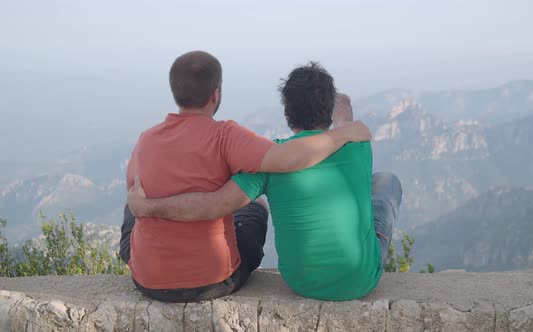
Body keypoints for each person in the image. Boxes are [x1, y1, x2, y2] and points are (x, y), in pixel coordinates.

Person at [128, 62, 402, 301]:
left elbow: (215, 204)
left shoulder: (265, 165)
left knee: (254, 204)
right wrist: (339, 109)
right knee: (385, 183)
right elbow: (344, 117)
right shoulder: (358, 145)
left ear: (286, 115)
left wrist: (148, 207)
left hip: (301, 281)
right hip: (361, 280)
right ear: (215, 94)